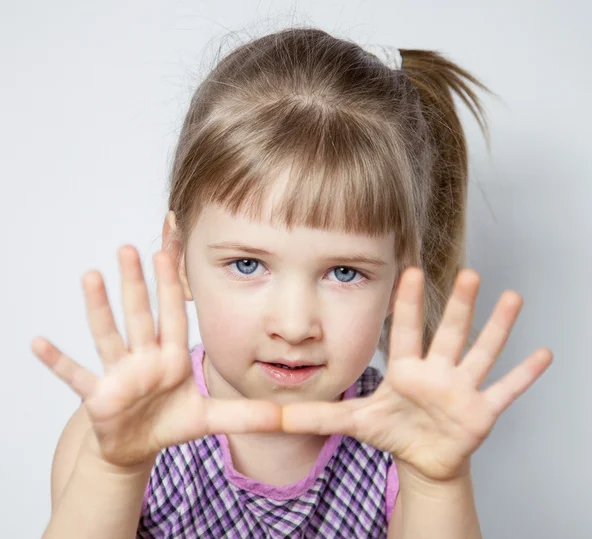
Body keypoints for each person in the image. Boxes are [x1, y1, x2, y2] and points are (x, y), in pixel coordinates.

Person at [31, 27, 553, 539]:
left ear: (401, 281)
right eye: (247, 265)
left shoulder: (405, 437)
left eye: (344, 272)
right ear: (179, 257)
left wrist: (437, 482)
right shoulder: (120, 432)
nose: (294, 324)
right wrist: (115, 471)